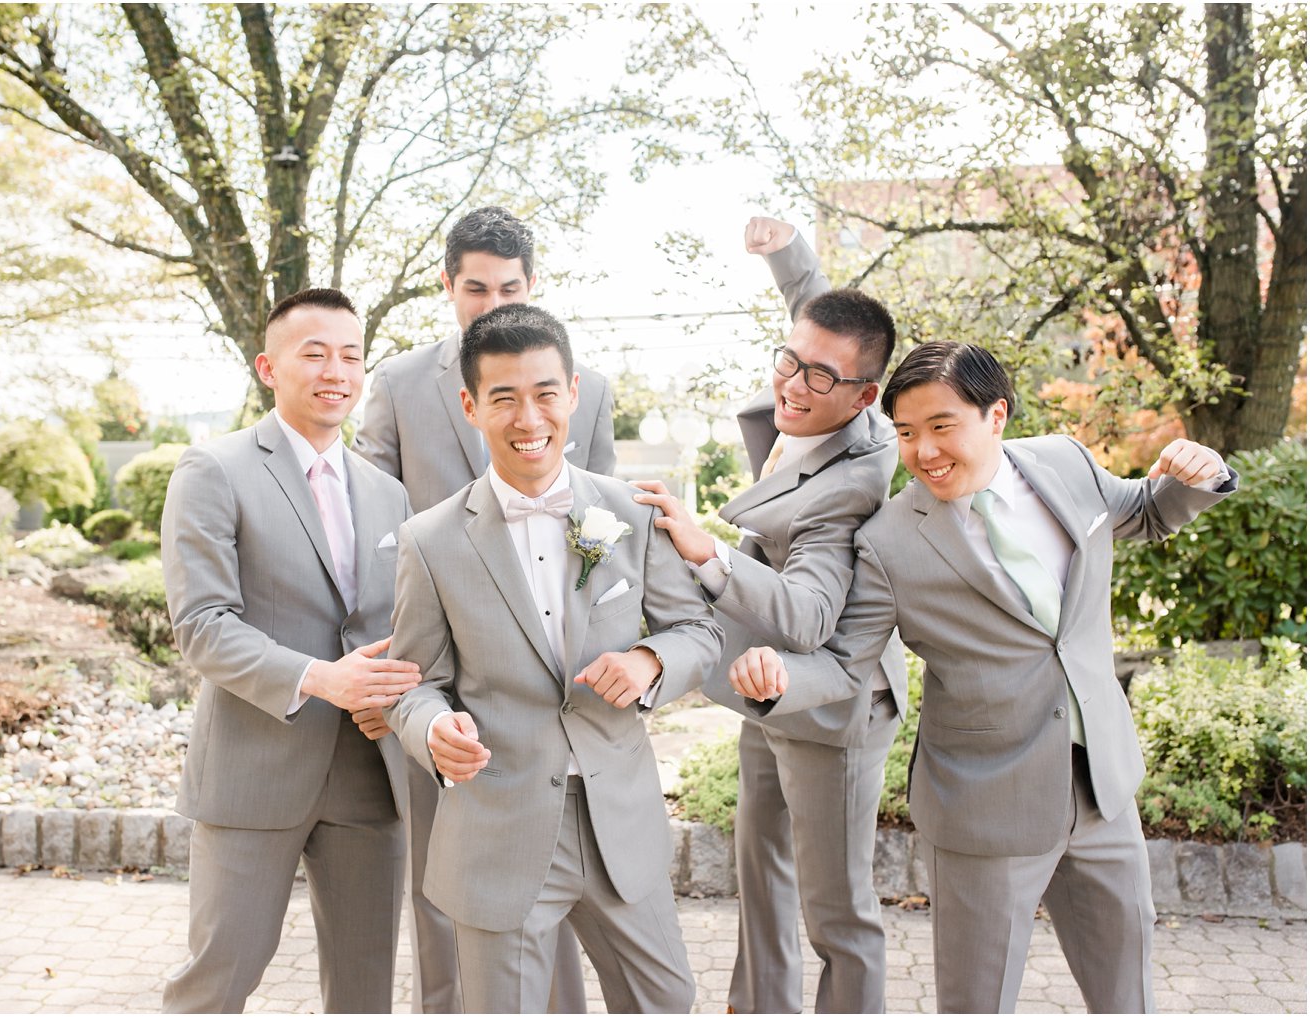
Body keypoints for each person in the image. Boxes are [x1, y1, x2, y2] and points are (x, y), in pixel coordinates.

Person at [733, 341, 1237, 1013]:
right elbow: (844, 661)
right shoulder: (888, 540)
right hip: (983, 808)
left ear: (995, 415)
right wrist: (778, 678)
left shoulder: (1065, 462)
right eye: (907, 434)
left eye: (942, 426)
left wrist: (1197, 476)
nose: (925, 451)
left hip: (1101, 788)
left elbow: (1144, 512)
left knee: (1128, 996)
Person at [383, 303, 728, 1013]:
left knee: (668, 999)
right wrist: (431, 731)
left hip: (618, 824)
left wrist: (649, 662)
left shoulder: (633, 513)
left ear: (573, 393)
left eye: (545, 393)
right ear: (470, 406)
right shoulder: (430, 539)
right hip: (499, 825)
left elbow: (699, 632)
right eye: (503, 398)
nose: (528, 416)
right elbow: (415, 686)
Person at [633, 216, 906, 1014]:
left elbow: (813, 615)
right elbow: (821, 314)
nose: (791, 383)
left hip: (833, 708)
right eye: (788, 359)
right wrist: (788, 254)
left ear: (865, 396)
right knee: (760, 878)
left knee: (838, 912)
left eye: (816, 376)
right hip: (767, 692)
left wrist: (706, 553)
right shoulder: (820, 383)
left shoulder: (852, 484)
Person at [353, 204, 612, 1013]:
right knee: (443, 882)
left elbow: (601, 531)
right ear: (447, 286)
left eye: (509, 287)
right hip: (434, 674)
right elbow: (371, 530)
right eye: (475, 288)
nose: (492, 302)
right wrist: (384, 677)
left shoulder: (588, 388)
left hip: (547, 686)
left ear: (533, 286)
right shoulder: (396, 383)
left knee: (557, 874)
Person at [160, 288, 420, 1014]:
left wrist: (399, 695)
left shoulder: (389, 494)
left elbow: (402, 623)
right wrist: (322, 679)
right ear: (268, 367)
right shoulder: (213, 470)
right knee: (217, 979)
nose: (336, 370)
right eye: (315, 353)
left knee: (366, 989)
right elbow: (204, 625)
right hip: (254, 771)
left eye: (351, 355)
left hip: (370, 777)